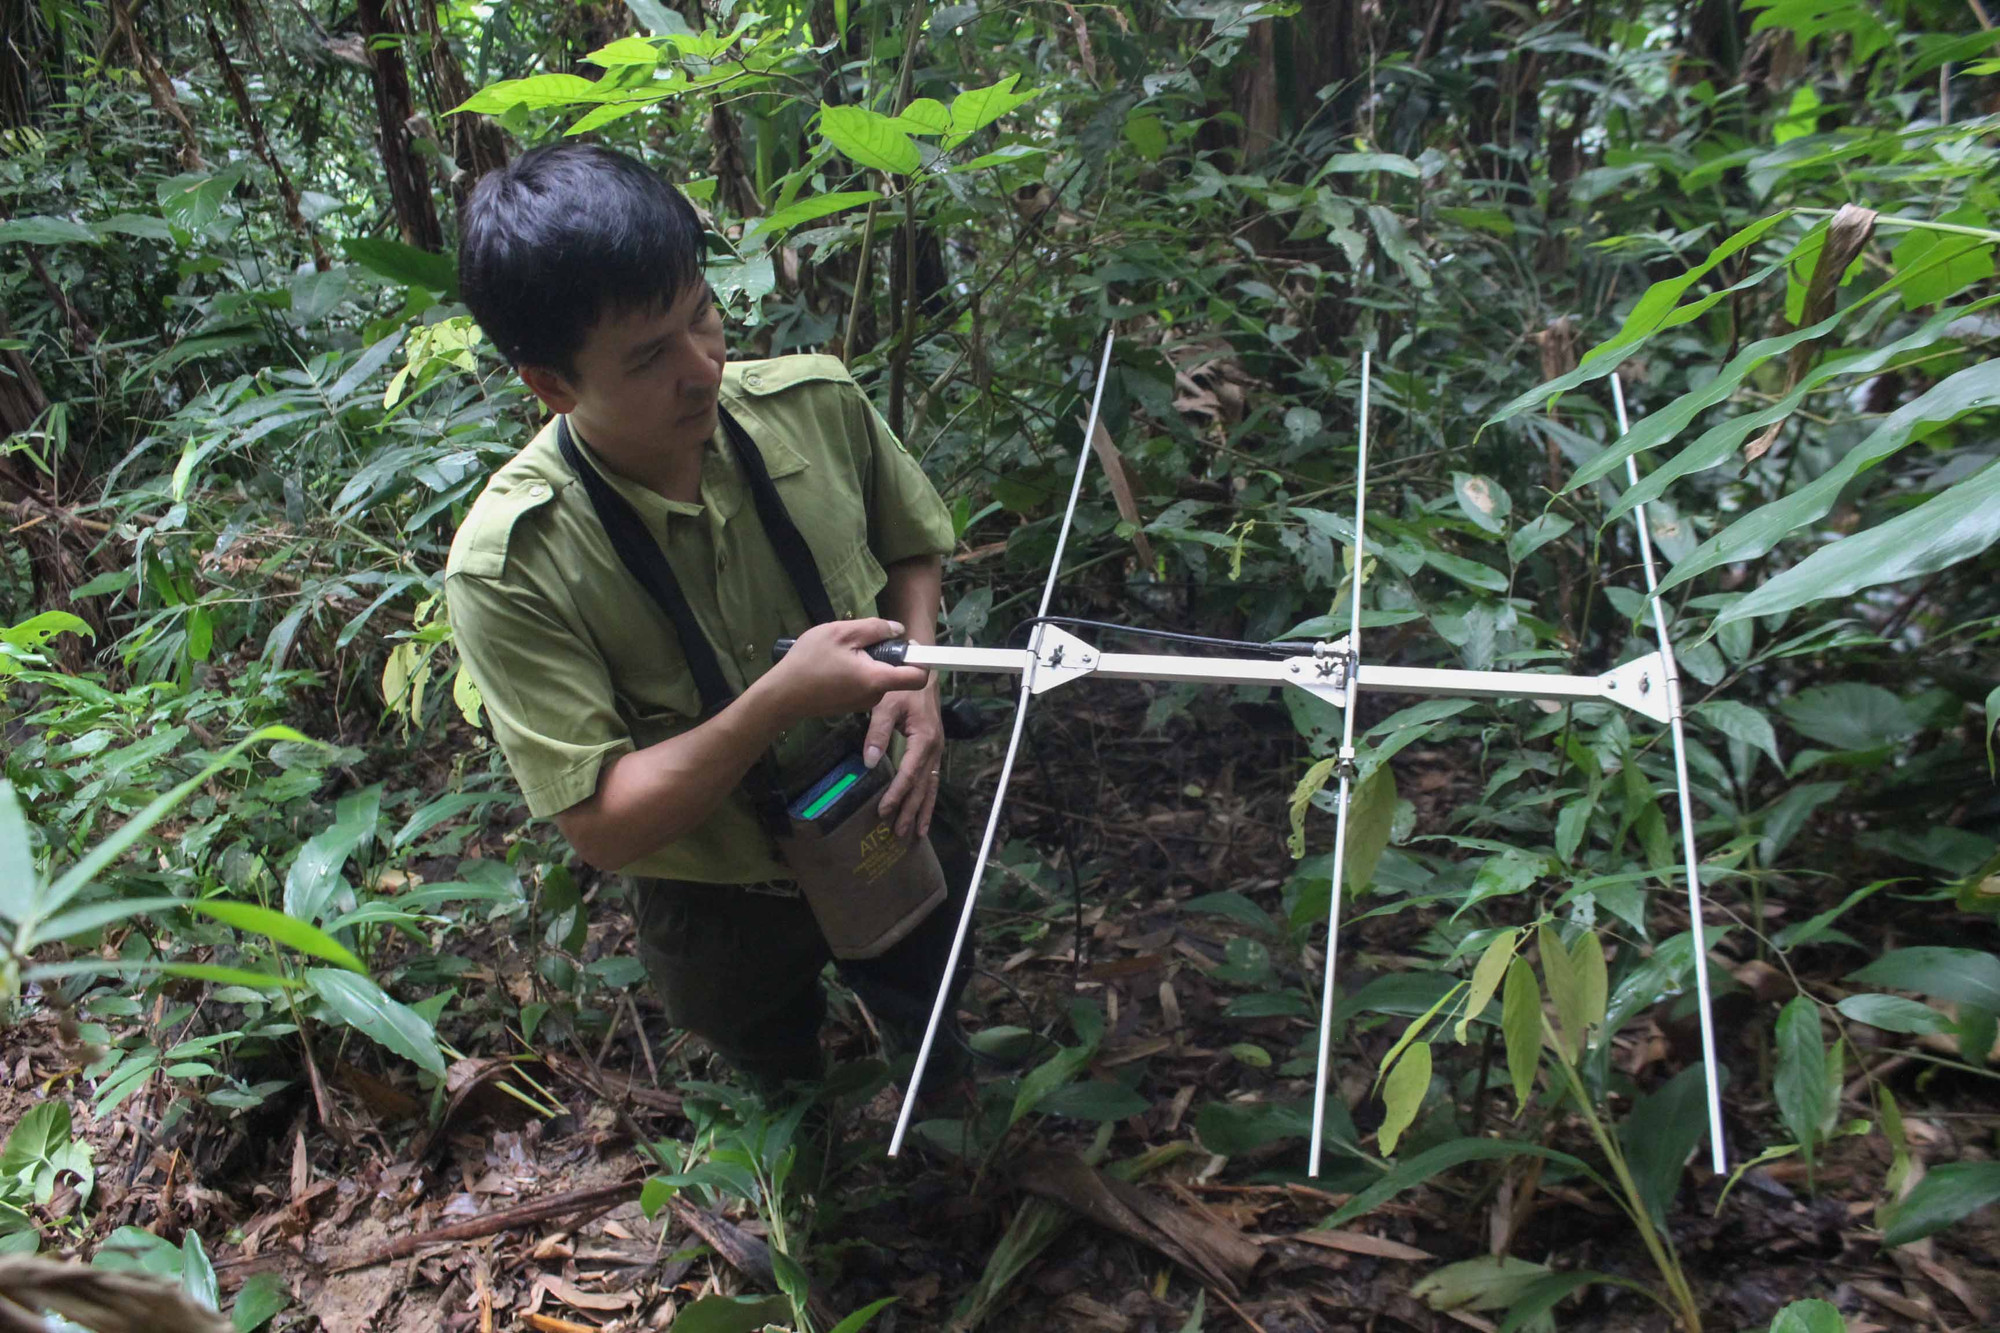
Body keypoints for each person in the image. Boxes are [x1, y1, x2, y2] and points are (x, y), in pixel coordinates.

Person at [444, 142, 971, 1097]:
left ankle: (942, 1097)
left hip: (887, 799)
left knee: (933, 989)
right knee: (766, 1058)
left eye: (703, 317)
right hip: (714, 889)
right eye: (650, 356)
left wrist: (920, 669)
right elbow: (601, 824)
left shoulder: (815, 405)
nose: (705, 370)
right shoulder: (513, 561)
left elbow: (910, 548)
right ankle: (801, 1166)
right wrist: (774, 703)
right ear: (550, 384)